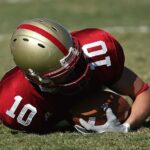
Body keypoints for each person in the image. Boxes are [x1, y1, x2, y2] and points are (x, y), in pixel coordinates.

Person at [0, 18, 150, 134]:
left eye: (76, 61)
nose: (77, 71)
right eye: (63, 73)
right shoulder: (15, 102)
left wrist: (126, 127)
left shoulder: (95, 50)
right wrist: (71, 120)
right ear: (37, 78)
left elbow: (143, 91)